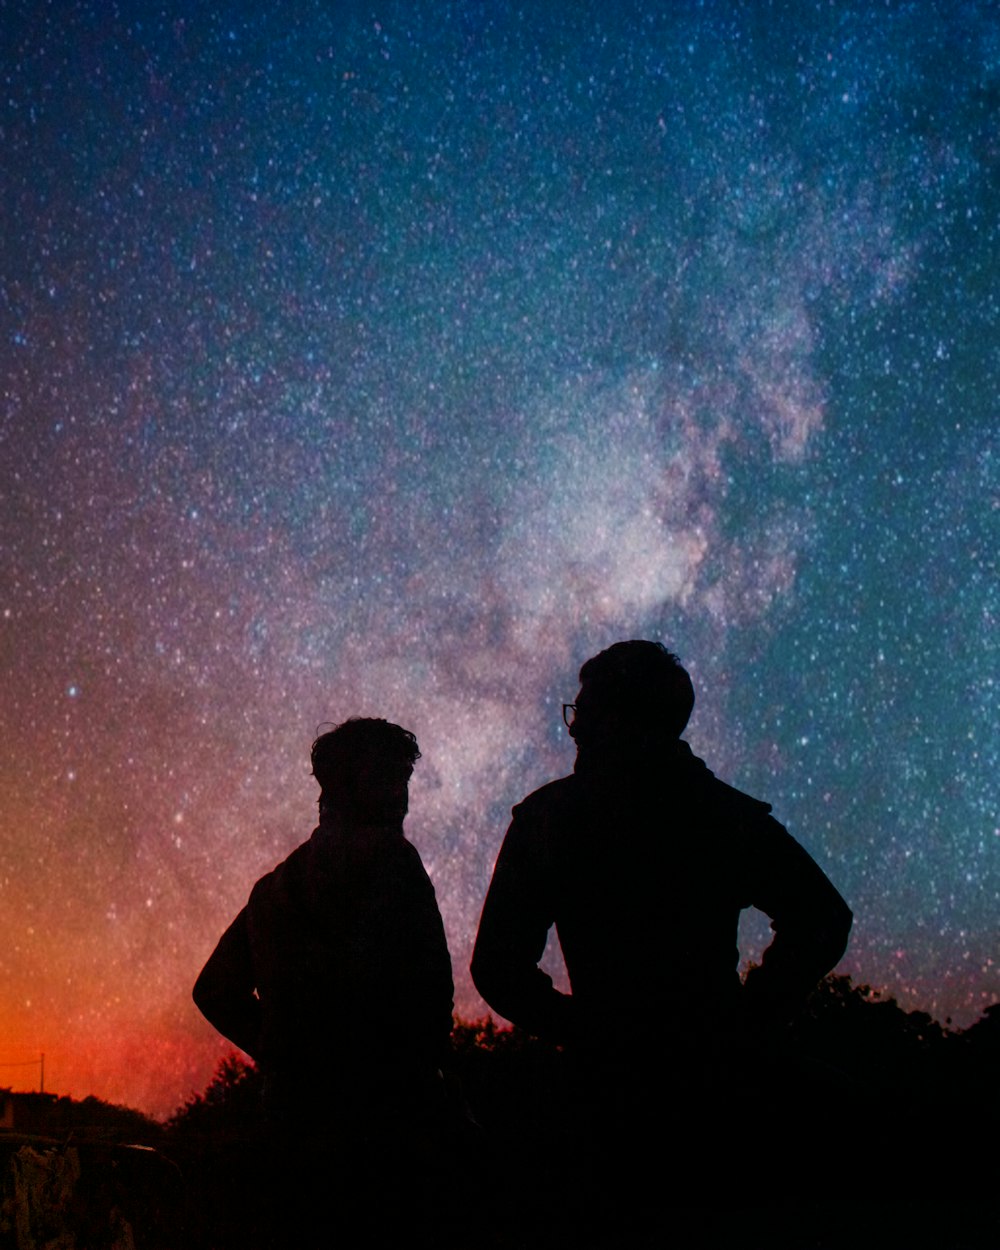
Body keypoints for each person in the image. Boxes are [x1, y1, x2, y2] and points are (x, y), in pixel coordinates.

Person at [471, 642, 852, 1230]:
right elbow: (823, 919)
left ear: (627, 721)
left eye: (587, 714)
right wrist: (746, 1021)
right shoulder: (724, 814)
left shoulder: (552, 818)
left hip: (607, 1107)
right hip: (723, 1102)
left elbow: (497, 968)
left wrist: (586, 1032)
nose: (575, 731)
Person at [194, 717, 454, 1133]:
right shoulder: (394, 860)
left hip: (296, 1125)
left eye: (402, 779)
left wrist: (283, 1056)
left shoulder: (272, 889)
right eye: (389, 777)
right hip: (390, 1124)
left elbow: (214, 991)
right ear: (350, 785)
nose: (402, 798)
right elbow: (432, 1001)